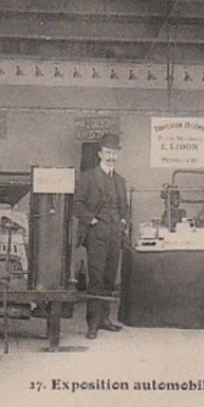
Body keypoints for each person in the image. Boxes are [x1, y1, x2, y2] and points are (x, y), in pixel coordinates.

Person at [73, 133, 128, 339]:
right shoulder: (88, 177)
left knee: (109, 278)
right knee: (96, 278)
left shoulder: (120, 180)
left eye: (114, 153)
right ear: (99, 154)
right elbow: (76, 204)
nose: (111, 156)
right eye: (108, 152)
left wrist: (122, 222)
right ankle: (92, 323)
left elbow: (125, 207)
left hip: (114, 233)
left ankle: (105, 319)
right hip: (96, 233)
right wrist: (92, 221)